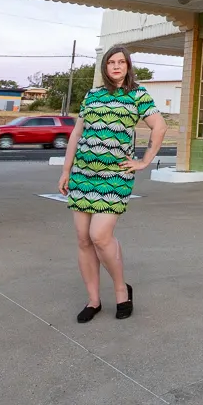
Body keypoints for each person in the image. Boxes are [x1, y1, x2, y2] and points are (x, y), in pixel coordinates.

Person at [58, 44, 168, 323]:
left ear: (128, 66)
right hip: (83, 174)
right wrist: (66, 170)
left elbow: (160, 126)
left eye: (121, 62)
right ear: (105, 67)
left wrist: (144, 161)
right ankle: (93, 300)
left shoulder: (137, 94)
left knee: (100, 236)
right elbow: (76, 134)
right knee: (83, 239)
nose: (116, 66)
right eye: (111, 62)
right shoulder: (92, 95)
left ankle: (121, 289)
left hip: (115, 176)